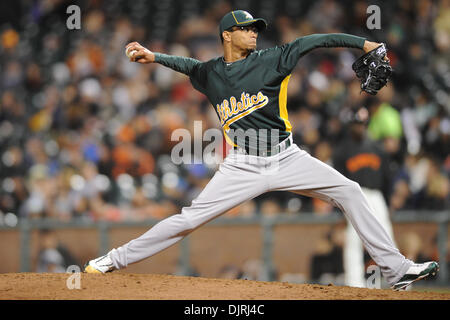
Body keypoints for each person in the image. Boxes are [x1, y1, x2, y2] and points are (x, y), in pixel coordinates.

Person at [84, 10, 439, 290]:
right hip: (242, 165)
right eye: (246, 28)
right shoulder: (210, 74)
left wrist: (364, 45)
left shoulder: (273, 58)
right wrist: (155, 56)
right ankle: (111, 260)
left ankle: (395, 269)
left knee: (350, 190)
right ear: (227, 35)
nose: (254, 32)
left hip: (287, 157)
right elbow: (189, 65)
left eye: (255, 28)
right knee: (188, 220)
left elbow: (316, 40)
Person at [333, 106, 396, 287]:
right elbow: (338, 181)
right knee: (353, 239)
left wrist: (389, 202)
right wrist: (341, 209)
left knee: (386, 238)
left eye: (362, 124)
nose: (360, 127)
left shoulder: (377, 147)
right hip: (354, 197)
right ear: (350, 125)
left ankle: (398, 278)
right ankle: (354, 283)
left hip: (376, 196)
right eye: (357, 124)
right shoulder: (342, 150)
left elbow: (387, 178)